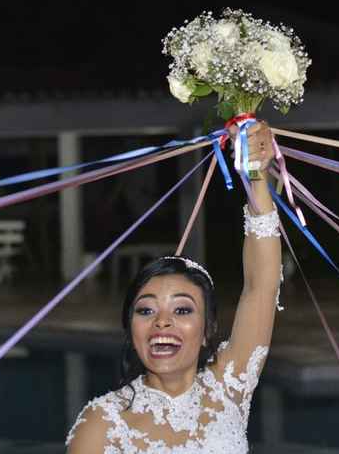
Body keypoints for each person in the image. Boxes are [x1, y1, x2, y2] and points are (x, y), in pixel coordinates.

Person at [66, 121, 282, 453]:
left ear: (208, 328)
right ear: (130, 328)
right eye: (146, 310)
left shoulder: (228, 387)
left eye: (182, 309)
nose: (162, 322)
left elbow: (261, 286)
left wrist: (255, 175)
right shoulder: (101, 423)